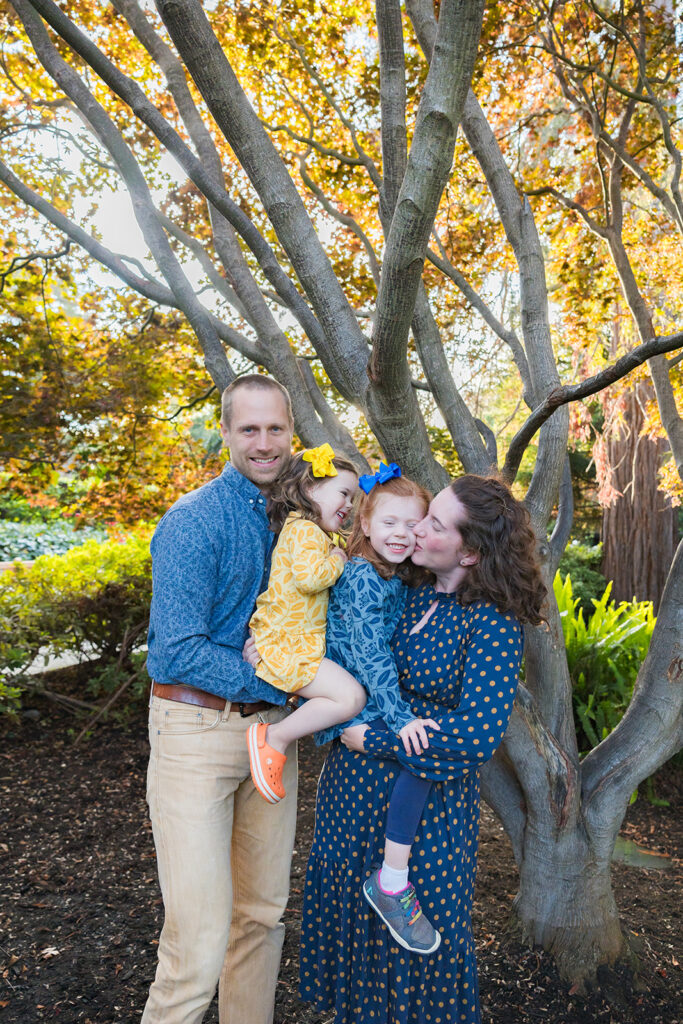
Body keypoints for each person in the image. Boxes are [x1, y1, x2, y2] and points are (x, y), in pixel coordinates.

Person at [299, 474, 547, 1024]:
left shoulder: (492, 622)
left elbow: (473, 737)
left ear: (473, 552)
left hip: (423, 821)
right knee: (353, 939)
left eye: (433, 523)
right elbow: (341, 638)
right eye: (421, 515)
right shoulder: (401, 586)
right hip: (349, 798)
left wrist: (371, 737)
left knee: (417, 952)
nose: (416, 528)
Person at [142, 374, 297, 1024]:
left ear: (291, 432)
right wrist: (285, 680)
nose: (263, 443)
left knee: (260, 919)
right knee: (198, 943)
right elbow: (175, 651)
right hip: (195, 736)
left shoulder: (301, 519)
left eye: (275, 429)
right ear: (227, 433)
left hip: (273, 739)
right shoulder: (192, 522)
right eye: (249, 429)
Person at [314, 465, 442, 955]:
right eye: (390, 523)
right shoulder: (365, 575)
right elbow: (371, 654)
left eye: (413, 525)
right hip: (352, 698)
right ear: (364, 524)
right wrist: (402, 714)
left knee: (425, 753)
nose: (402, 534)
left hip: (364, 696)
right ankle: (391, 881)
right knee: (424, 751)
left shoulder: (396, 575)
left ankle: (391, 877)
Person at [245, 445, 367, 803]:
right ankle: (275, 738)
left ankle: (278, 732)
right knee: (350, 697)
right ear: (312, 488)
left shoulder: (310, 532)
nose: (348, 505)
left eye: (353, 498)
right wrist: (339, 559)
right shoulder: (308, 532)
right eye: (343, 493)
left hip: (292, 639)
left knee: (348, 695)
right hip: (288, 641)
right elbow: (311, 578)